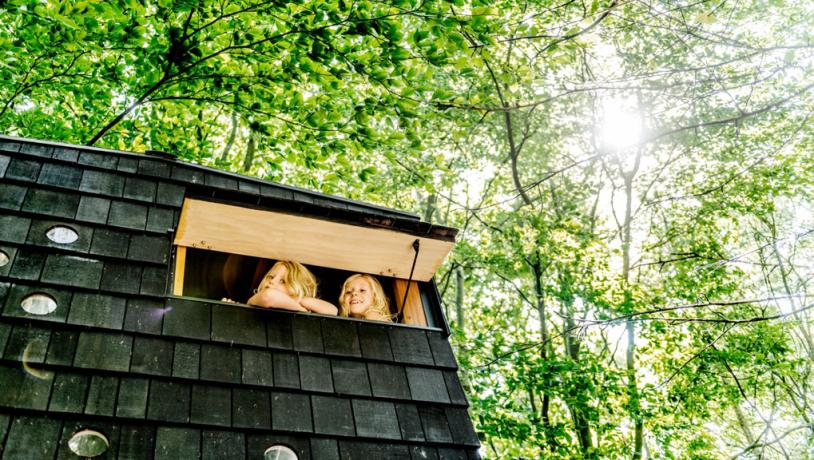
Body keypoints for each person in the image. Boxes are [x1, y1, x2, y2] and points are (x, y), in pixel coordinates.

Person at [246, 260, 337, 315]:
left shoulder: (295, 301)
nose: (272, 281)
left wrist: (297, 299)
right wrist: (301, 310)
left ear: (297, 289)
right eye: (271, 277)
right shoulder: (256, 299)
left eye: (282, 281)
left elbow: (332, 311)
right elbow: (268, 296)